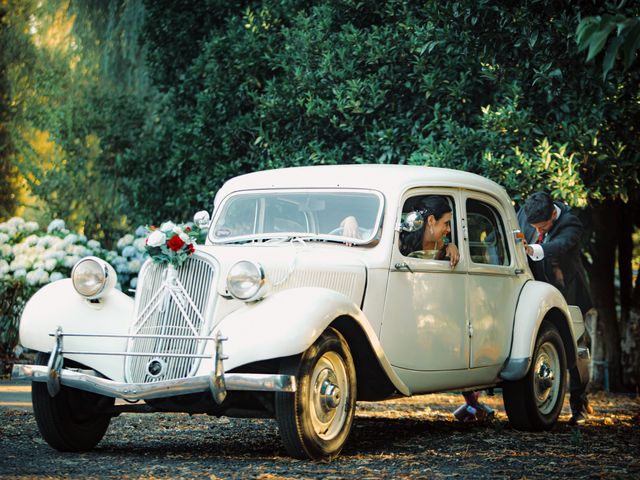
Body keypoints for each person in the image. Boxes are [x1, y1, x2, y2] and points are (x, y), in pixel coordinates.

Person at [517, 191, 594, 425]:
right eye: (535, 228)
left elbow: (561, 246)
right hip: (533, 295)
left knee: (578, 349)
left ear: (553, 213)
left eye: (543, 228)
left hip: (568, 292)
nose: (538, 232)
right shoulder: (522, 213)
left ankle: (579, 406)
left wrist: (532, 248)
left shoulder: (571, 221)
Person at [399, 195, 459, 267]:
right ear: (431, 220)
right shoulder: (402, 245)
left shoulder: (444, 245)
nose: (449, 229)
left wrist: (451, 246)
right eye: (446, 223)